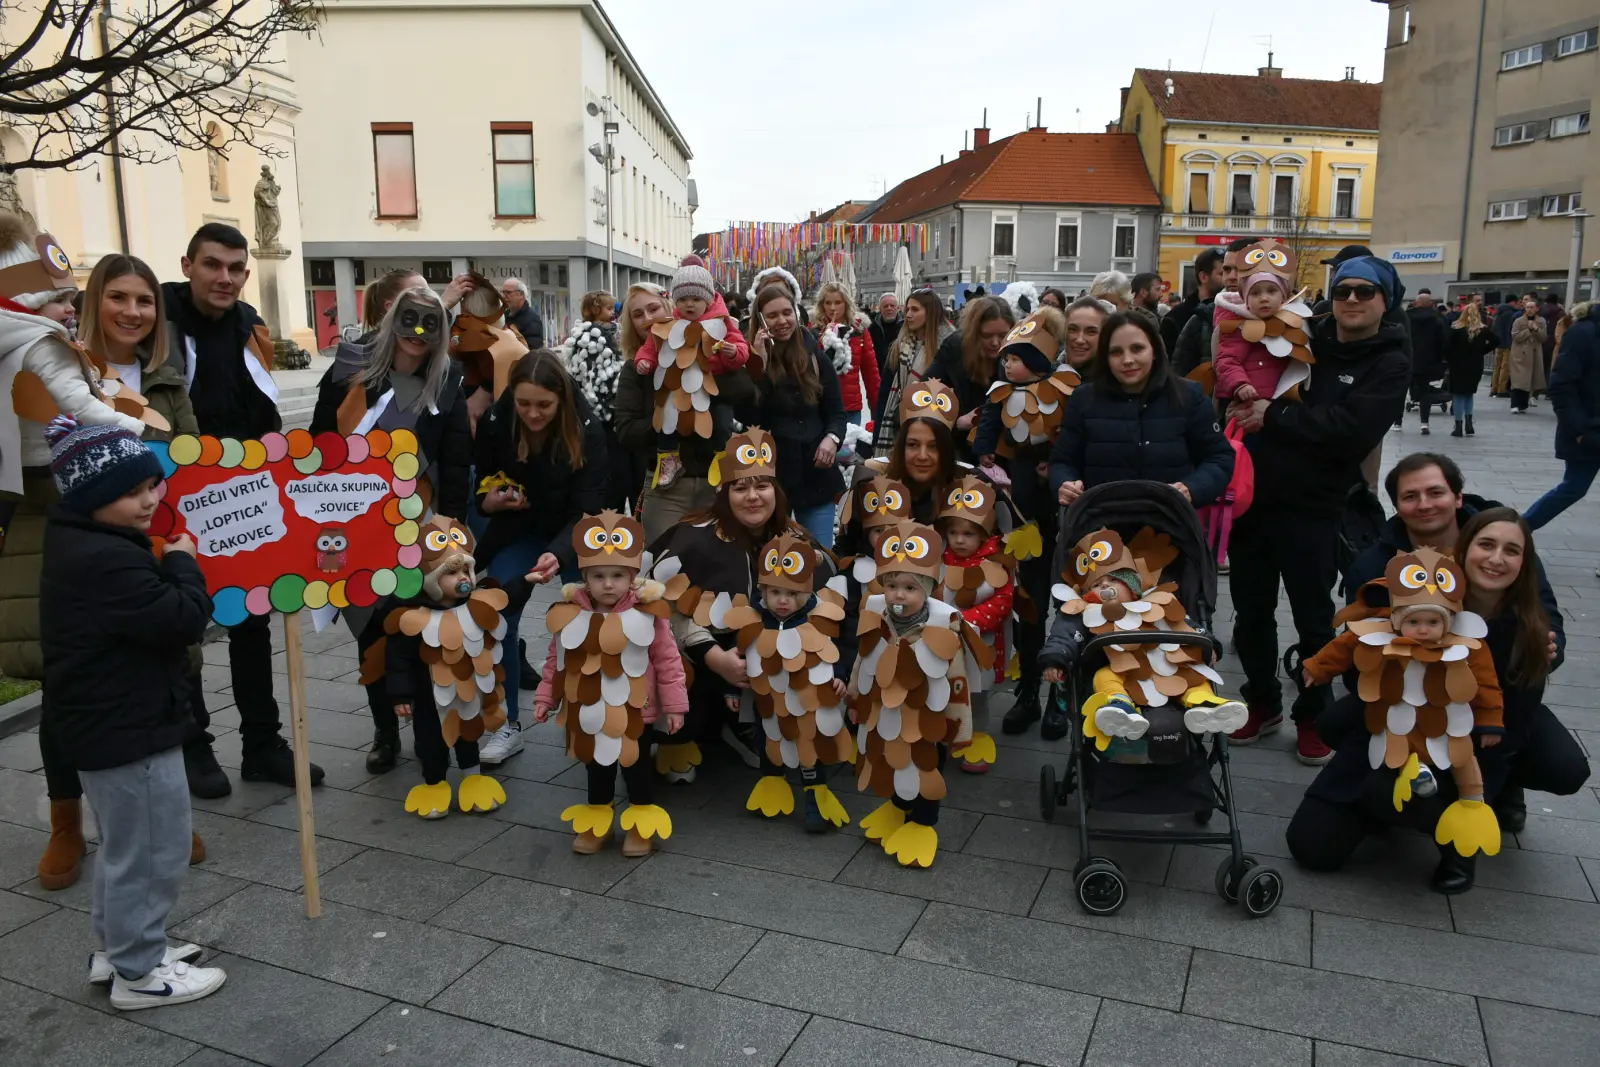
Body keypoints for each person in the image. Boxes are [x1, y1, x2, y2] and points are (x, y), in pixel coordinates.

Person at [1292, 508, 1586, 892]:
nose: (1497, 558)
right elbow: (1361, 639)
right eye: (1486, 544)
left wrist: (1476, 796)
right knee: (1312, 846)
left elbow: (1506, 730)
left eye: (1511, 550)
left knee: (1551, 766)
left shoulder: (1527, 630)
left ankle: (1458, 835)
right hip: (1398, 722)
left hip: (1471, 741)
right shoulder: (1424, 595)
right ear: (1464, 549)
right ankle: (1382, 807)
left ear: (1525, 563)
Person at [39, 415, 226, 1008]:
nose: (150, 500)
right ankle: (140, 973)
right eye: (131, 492)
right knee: (152, 850)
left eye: (151, 484)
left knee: (128, 849)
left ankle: (121, 949)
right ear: (94, 498)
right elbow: (180, 617)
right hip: (129, 729)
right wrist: (182, 562)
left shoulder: (83, 541)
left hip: (112, 722)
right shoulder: (107, 559)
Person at [1222, 255, 1409, 763]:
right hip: (1255, 503)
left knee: (1313, 620)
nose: (1351, 299)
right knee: (1251, 612)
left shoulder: (1390, 362)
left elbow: (1349, 430)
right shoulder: (1307, 334)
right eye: (1344, 290)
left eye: (1364, 293)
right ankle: (1261, 703)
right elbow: (1240, 349)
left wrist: (1276, 414)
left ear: (1384, 302)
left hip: (1316, 510)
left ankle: (1313, 714)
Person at [1336, 453, 1582, 831]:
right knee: (1337, 725)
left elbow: (1544, 612)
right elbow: (1355, 653)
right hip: (1415, 696)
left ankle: (1504, 782)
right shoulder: (1375, 567)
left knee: (1563, 766)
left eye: (1435, 492)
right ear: (1397, 506)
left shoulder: (1501, 541)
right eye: (1411, 496)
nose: (1425, 504)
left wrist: (1549, 648)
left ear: (1458, 497)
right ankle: (1404, 787)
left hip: (1499, 693)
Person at [160, 223, 322, 788]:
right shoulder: (160, 320)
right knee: (184, 628)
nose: (223, 277)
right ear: (188, 264)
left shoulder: (247, 326)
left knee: (252, 619)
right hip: (176, 494)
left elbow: (263, 406)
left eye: (234, 268)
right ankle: (193, 745)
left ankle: (261, 743)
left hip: (243, 494)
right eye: (212, 265)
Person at [310, 286, 474, 770]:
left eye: (431, 323)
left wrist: (455, 527)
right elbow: (319, 438)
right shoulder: (350, 369)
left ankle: (434, 722)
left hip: (417, 521)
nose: (418, 334)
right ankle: (384, 730)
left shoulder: (447, 380)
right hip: (352, 518)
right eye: (409, 319)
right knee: (370, 625)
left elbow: (457, 453)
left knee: (419, 619)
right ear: (391, 319)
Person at [647, 427, 828, 782]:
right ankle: (687, 731)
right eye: (740, 487)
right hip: (706, 659)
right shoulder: (694, 537)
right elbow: (664, 611)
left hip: (769, 656)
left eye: (762, 486)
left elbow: (828, 595)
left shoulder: (793, 536)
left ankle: (747, 724)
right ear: (725, 492)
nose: (752, 497)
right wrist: (715, 658)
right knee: (686, 693)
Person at [472, 351, 608, 762]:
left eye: (543, 405)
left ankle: (598, 715)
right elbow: (484, 481)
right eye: (524, 403)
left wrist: (559, 551)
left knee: (597, 623)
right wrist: (490, 502)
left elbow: (589, 508)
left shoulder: (589, 430)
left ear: (561, 399)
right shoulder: (498, 421)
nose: (533, 413)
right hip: (519, 529)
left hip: (574, 534)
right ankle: (507, 724)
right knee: (499, 620)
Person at [534, 510, 684, 855]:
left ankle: (640, 823)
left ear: (632, 576)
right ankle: (598, 820)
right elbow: (557, 660)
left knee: (636, 767)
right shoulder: (572, 614)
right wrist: (546, 698)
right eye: (598, 575)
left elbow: (667, 660)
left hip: (637, 710)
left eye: (617, 575)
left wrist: (675, 706)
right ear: (585, 576)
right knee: (597, 765)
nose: (608, 584)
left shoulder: (650, 614)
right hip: (589, 707)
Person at [1041, 526, 1246, 751]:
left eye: (1113, 580)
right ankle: (1119, 708)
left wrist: (1208, 644)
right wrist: (1055, 659)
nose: (1105, 586)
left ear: (1133, 586)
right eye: (1097, 585)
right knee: (1103, 676)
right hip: (1121, 672)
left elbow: (1186, 624)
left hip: (1168, 668)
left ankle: (1206, 706)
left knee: (1194, 675)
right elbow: (1065, 634)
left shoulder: (1157, 601)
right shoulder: (1086, 612)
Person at [364, 515, 513, 819]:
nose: (464, 578)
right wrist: (400, 696)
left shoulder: (473, 607)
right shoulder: (413, 617)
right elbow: (399, 659)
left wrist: (527, 580)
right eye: (453, 572)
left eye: (467, 570)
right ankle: (434, 783)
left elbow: (506, 601)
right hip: (428, 697)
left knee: (469, 734)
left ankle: (473, 777)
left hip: (466, 691)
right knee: (431, 740)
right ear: (431, 581)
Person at [850, 519, 971, 868]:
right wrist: (857, 699)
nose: (898, 594)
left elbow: (957, 679)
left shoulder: (944, 625)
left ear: (929, 588)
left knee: (925, 764)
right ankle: (898, 807)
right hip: (888, 712)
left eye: (909, 587)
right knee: (891, 756)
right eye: (891, 585)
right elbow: (865, 659)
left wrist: (960, 728)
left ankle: (923, 823)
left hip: (928, 718)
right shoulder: (878, 618)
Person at [725, 531, 854, 832]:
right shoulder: (754, 619)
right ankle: (772, 785)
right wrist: (731, 688)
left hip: (807, 700)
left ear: (808, 590)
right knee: (770, 739)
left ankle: (816, 797)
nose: (783, 601)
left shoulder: (819, 618)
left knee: (809, 744)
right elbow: (740, 655)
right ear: (763, 590)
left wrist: (840, 677)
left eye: (793, 594)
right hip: (768, 700)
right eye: (775, 593)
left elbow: (835, 653)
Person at [614, 283, 759, 544]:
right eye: (637, 314)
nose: (648, 318)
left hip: (715, 483)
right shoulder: (637, 370)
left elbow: (747, 394)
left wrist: (700, 378)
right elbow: (626, 432)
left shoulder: (712, 347)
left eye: (653, 308)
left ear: (672, 308)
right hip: (666, 490)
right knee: (665, 566)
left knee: (717, 571)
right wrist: (673, 419)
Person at [1051, 311, 1234, 510]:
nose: (1127, 360)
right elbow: (1063, 461)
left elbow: (1219, 458)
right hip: (1100, 525)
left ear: (1154, 350)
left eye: (1137, 349)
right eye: (1116, 352)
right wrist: (1065, 483)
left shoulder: (1189, 396)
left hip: (1170, 523)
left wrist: (1193, 488)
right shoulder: (1084, 399)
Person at [630, 258, 749, 490]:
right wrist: (644, 361)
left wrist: (733, 352)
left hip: (716, 388)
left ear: (707, 299)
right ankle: (669, 458)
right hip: (681, 386)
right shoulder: (671, 324)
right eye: (683, 299)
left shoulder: (722, 323)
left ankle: (722, 460)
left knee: (723, 423)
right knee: (666, 418)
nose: (689, 305)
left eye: (696, 299)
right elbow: (652, 347)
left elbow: (741, 348)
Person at [750, 283, 846, 546]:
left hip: (816, 475)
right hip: (772, 477)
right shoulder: (751, 359)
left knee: (818, 558)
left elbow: (837, 412)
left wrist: (832, 439)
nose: (781, 321)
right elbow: (748, 416)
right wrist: (759, 366)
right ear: (760, 321)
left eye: (786, 312)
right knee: (773, 562)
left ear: (796, 312)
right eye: (772, 316)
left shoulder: (815, 355)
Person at [933, 475, 1012, 774]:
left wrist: (965, 620)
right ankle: (945, 735)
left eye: (967, 533)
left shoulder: (995, 562)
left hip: (979, 646)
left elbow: (1002, 602)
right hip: (942, 642)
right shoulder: (939, 559)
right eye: (953, 532)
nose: (959, 539)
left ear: (982, 533)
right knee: (942, 690)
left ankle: (976, 741)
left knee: (976, 698)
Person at [1522, 300, 1600, 532]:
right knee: (1573, 488)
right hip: (1590, 429)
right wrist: (1578, 430)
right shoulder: (1585, 332)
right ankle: (1515, 531)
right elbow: (1562, 385)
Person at [1212, 239, 1314, 407]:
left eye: (1272, 291)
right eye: (1256, 293)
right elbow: (1227, 360)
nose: (1264, 298)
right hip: (1244, 400)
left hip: (1278, 403)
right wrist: (1240, 385)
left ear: (1283, 295)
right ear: (1245, 298)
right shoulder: (1237, 325)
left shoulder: (1296, 319)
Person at [930, 295, 1014, 454]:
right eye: (987, 336)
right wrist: (957, 422)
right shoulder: (954, 350)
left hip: (1000, 456)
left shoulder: (1019, 356)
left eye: (1003, 335)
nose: (996, 343)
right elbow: (921, 401)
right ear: (973, 333)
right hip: (955, 451)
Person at [873, 288, 950, 455]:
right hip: (899, 425)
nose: (908, 314)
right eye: (907, 309)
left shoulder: (948, 347)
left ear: (931, 312)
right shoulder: (900, 346)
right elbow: (885, 394)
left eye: (915, 310)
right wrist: (877, 435)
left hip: (935, 428)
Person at [1172, 243, 1246, 379]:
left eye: (1241, 269)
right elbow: (1179, 382)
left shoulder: (1287, 319)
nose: (1231, 277)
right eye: (1226, 270)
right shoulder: (1200, 319)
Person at [812, 281, 879, 427]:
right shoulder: (814, 330)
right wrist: (822, 339)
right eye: (828, 303)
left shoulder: (859, 330)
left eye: (838, 302)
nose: (832, 308)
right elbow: (808, 365)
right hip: (821, 405)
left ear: (846, 303)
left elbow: (871, 373)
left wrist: (877, 409)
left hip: (850, 407)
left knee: (848, 449)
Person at [1446, 302, 1496, 438]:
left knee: (1458, 395)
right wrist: (1482, 351)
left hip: (1458, 365)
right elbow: (1496, 340)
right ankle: (1469, 423)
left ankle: (1458, 426)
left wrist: (1448, 360)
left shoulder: (1456, 328)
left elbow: (1447, 347)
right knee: (1469, 394)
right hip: (1475, 364)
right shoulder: (1482, 329)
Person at [1404, 291, 1450, 434]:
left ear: (1416, 303)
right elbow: (1443, 341)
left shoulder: (1406, 317)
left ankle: (1398, 422)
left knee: (1401, 390)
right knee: (1425, 392)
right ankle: (1424, 423)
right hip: (1428, 362)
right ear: (1430, 304)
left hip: (1407, 359)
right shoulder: (1438, 318)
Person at [1161, 249, 1222, 354]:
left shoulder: (1233, 313)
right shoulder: (1175, 319)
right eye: (1222, 273)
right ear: (1203, 277)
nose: (1230, 278)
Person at [1508, 296, 1547, 413]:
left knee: (1528, 381)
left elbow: (1543, 337)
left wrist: (1536, 329)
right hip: (1520, 355)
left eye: (1532, 307)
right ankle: (1515, 404)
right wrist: (1528, 330)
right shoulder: (1518, 321)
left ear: (1537, 309)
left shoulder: (1541, 321)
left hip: (1534, 355)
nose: (1529, 309)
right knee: (1518, 381)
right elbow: (1515, 337)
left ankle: (1523, 406)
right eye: (1527, 307)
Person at [1061, 295, 1111, 374]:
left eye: (1091, 332)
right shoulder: (1045, 374)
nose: (1079, 340)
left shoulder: (1112, 383)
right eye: (1073, 330)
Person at [500, 277, 545, 349]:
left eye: (508, 292)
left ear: (521, 295)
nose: (504, 296)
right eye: (503, 292)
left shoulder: (532, 319)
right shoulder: (504, 316)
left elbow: (534, 351)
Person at [1491, 291, 1520, 397]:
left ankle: (1494, 388)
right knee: (1505, 367)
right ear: (1513, 302)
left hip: (1498, 343)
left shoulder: (1499, 312)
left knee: (1497, 366)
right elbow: (1510, 330)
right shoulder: (1510, 314)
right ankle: (1501, 389)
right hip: (1507, 343)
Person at [869, 293, 902, 377]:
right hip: (878, 373)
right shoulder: (872, 327)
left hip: (900, 374)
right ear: (880, 309)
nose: (889, 308)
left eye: (892, 305)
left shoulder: (906, 326)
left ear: (898, 308)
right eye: (885, 306)